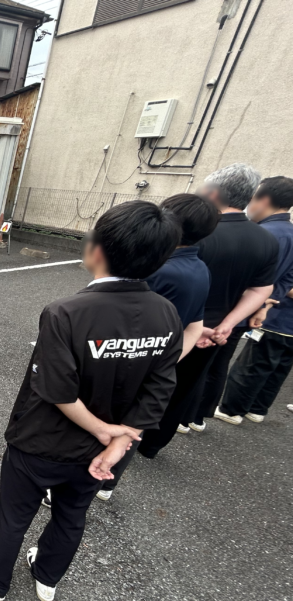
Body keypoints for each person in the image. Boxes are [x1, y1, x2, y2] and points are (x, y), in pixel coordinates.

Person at [0, 201, 182, 601]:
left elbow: (58, 389)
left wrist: (104, 431)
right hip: (100, 452)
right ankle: (47, 578)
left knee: (15, 515)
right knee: (71, 515)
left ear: (98, 249)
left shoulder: (66, 312)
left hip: (41, 441)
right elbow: (160, 388)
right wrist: (118, 442)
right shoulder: (167, 314)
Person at [137, 164, 278, 457]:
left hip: (172, 323)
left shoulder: (194, 234)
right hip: (215, 333)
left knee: (147, 381)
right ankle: (153, 444)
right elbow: (260, 289)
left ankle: (127, 437)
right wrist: (228, 324)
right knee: (184, 387)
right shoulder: (266, 239)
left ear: (212, 193)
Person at [93, 193, 219, 501]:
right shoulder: (201, 269)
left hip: (123, 362)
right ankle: (107, 483)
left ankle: (86, 481)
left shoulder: (158, 272)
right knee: (134, 422)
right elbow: (195, 325)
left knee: (105, 423)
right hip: (155, 360)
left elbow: (117, 320)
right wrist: (167, 361)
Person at [215, 176, 293, 425]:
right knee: (275, 368)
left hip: (244, 311)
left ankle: (229, 410)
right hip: (270, 314)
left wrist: (263, 303)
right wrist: (270, 300)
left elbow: (251, 278)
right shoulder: (290, 233)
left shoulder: (265, 234)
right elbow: (287, 279)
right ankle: (256, 409)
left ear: (264, 199)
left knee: (249, 365)